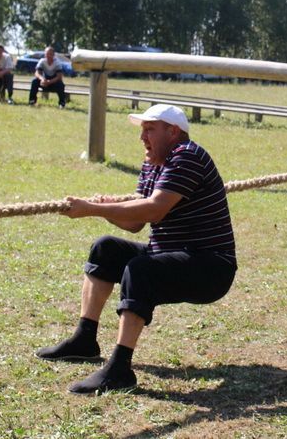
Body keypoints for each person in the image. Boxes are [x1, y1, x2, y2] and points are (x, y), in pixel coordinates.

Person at [35, 104, 237, 394]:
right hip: (171, 255)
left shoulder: (187, 155)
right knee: (106, 249)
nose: (143, 137)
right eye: (142, 130)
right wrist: (105, 210)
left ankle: (120, 369)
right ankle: (85, 339)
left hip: (211, 268)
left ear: (173, 131)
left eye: (150, 129)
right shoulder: (153, 161)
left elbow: (154, 210)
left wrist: (91, 208)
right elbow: (136, 224)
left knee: (140, 270)